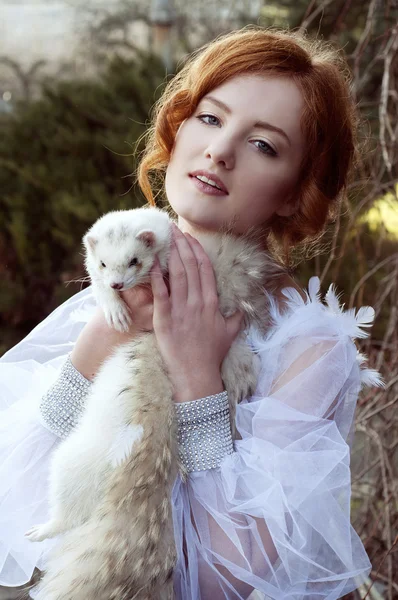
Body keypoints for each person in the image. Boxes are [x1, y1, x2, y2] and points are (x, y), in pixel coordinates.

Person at [0, 26, 382, 600]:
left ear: (295, 193)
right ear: (177, 128)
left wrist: (198, 379)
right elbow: (17, 508)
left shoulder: (307, 350)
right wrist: (108, 331)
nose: (220, 151)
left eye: (264, 145)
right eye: (210, 118)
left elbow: (227, 578)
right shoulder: (120, 283)